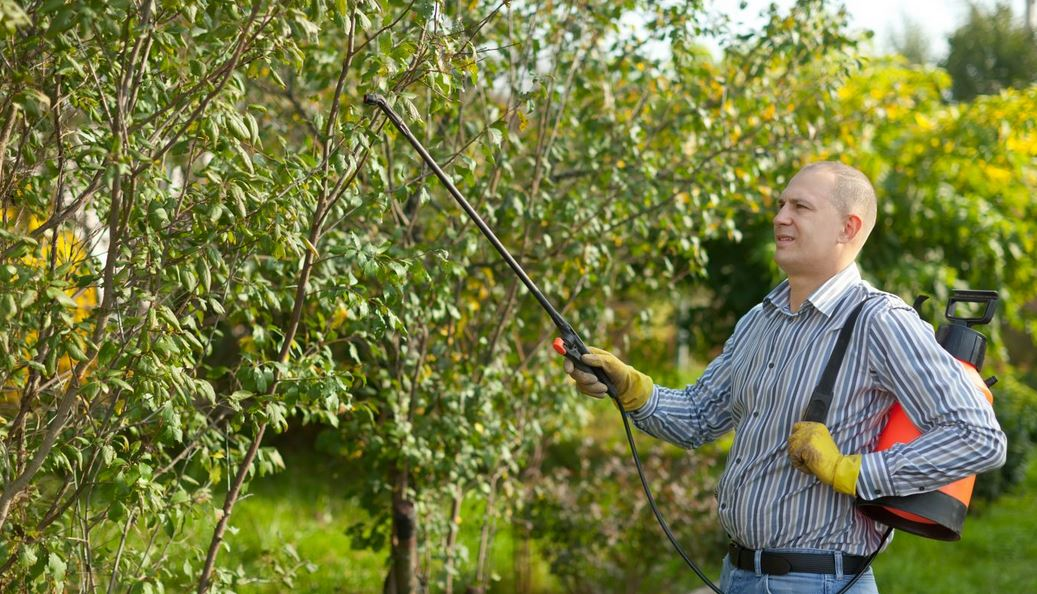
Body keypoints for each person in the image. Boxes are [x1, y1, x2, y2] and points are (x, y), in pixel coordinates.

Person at [564, 161, 1007, 593]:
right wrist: (631, 388)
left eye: (801, 207)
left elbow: (979, 438)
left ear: (848, 228)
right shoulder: (760, 320)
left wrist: (853, 471)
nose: (780, 218)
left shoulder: (881, 320)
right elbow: (697, 418)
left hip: (822, 581)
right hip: (737, 575)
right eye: (781, 205)